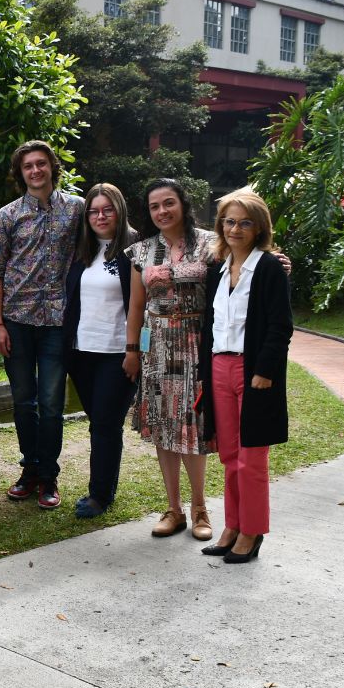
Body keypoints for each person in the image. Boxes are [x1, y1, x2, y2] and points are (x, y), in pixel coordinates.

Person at [0, 141, 84, 511]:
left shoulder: (76, 209)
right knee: (24, 402)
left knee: (52, 403)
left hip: (58, 322)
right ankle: (30, 469)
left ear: (52, 167)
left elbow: (114, 234)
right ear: (20, 172)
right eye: (28, 166)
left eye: (41, 164)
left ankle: (49, 476)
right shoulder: (7, 216)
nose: (35, 171)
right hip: (17, 321)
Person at [198, 190, 292, 564]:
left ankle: (252, 531)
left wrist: (265, 370)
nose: (235, 228)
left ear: (259, 228)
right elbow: (212, 325)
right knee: (229, 454)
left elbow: (280, 325)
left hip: (254, 372)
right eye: (229, 221)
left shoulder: (269, 267)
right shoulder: (216, 269)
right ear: (221, 225)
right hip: (219, 367)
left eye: (245, 222)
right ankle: (232, 525)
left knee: (252, 458)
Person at [122, 177, 216, 541]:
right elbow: (135, 305)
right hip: (156, 347)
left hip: (195, 345)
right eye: (154, 206)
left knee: (193, 425)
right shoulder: (141, 251)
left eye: (168, 203)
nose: (162, 211)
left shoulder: (210, 243)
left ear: (183, 203)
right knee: (163, 426)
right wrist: (133, 350)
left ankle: (200, 508)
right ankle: (173, 509)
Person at [63, 183, 138, 519]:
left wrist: (137, 350)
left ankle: (100, 495)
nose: (100, 216)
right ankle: (103, 487)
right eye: (94, 211)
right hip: (81, 351)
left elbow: (143, 306)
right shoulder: (83, 249)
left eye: (107, 209)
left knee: (106, 424)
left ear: (119, 210)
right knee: (98, 422)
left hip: (117, 352)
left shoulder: (135, 248)